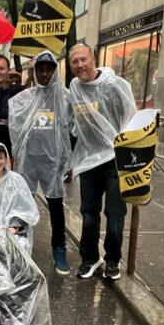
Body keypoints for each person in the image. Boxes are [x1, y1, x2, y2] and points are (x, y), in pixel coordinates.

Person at [68, 43, 137, 281]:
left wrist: (135, 157)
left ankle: (112, 261)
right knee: (88, 213)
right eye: (74, 61)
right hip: (88, 160)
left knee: (115, 212)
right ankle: (89, 258)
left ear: (93, 59)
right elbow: (76, 125)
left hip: (115, 160)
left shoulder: (113, 86)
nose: (79, 65)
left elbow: (130, 119)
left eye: (83, 59)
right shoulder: (74, 87)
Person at [8, 50, 73, 275]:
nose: (44, 73)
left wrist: (68, 162)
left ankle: (59, 249)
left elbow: (71, 130)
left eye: (49, 69)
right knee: (22, 205)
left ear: (55, 71)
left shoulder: (66, 97)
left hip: (52, 162)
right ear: (35, 72)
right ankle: (20, 247)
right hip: (29, 160)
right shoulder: (25, 97)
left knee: (56, 207)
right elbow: (14, 122)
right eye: (40, 69)